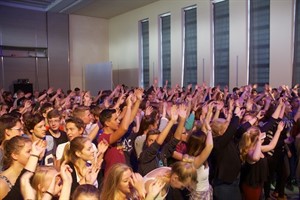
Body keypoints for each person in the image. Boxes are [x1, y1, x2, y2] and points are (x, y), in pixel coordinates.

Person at [239, 122, 284, 200]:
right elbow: (255, 158)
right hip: (251, 185)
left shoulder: (256, 147)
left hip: (258, 184)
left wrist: (278, 130)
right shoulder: (249, 150)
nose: (263, 134)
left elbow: (271, 146)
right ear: (257, 138)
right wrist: (259, 141)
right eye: (261, 134)